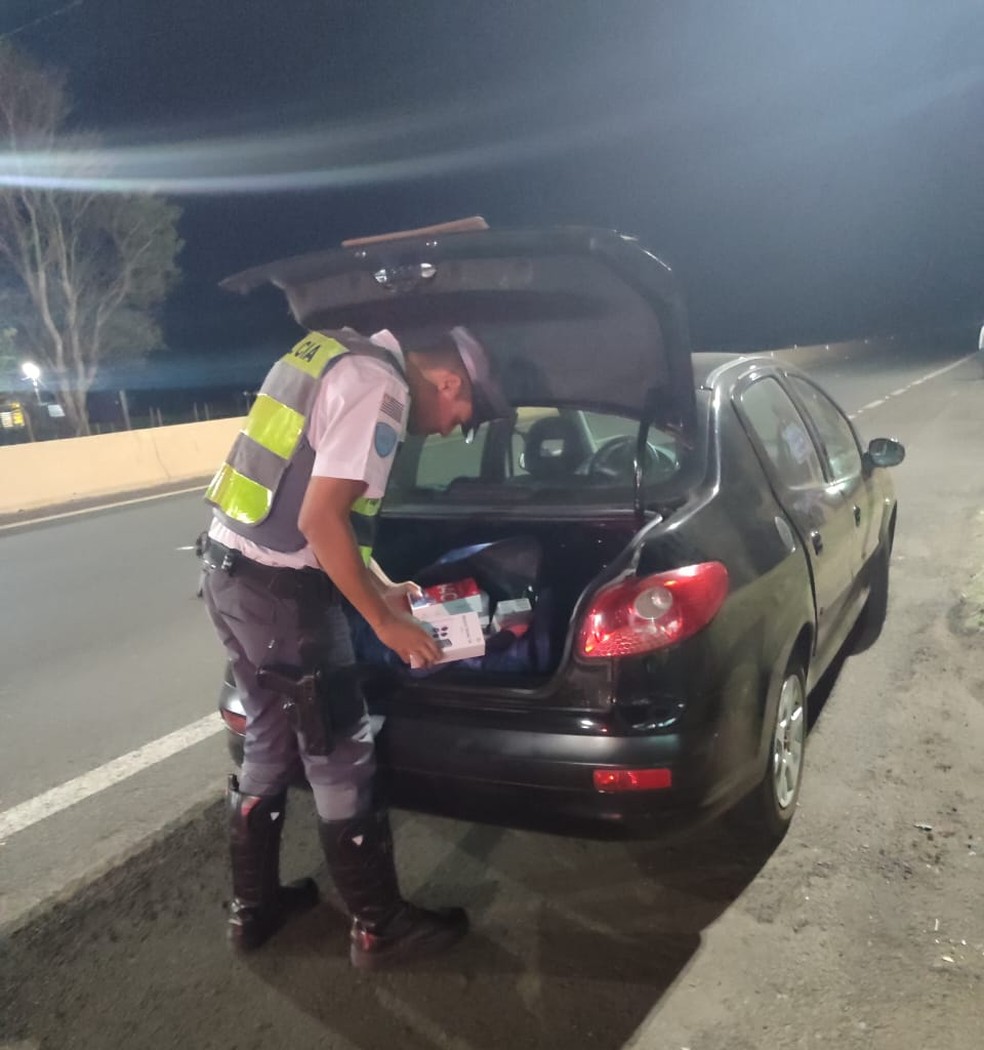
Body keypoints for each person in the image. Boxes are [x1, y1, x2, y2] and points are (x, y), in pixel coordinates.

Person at [200, 321, 510, 969]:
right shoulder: (381, 388)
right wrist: (384, 622)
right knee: (339, 752)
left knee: (267, 736)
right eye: (464, 411)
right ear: (449, 381)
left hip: (231, 572)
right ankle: (380, 927)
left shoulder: (334, 354)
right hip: (285, 596)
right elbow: (321, 518)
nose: (454, 427)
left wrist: (384, 586)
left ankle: (252, 913)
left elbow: (308, 509)